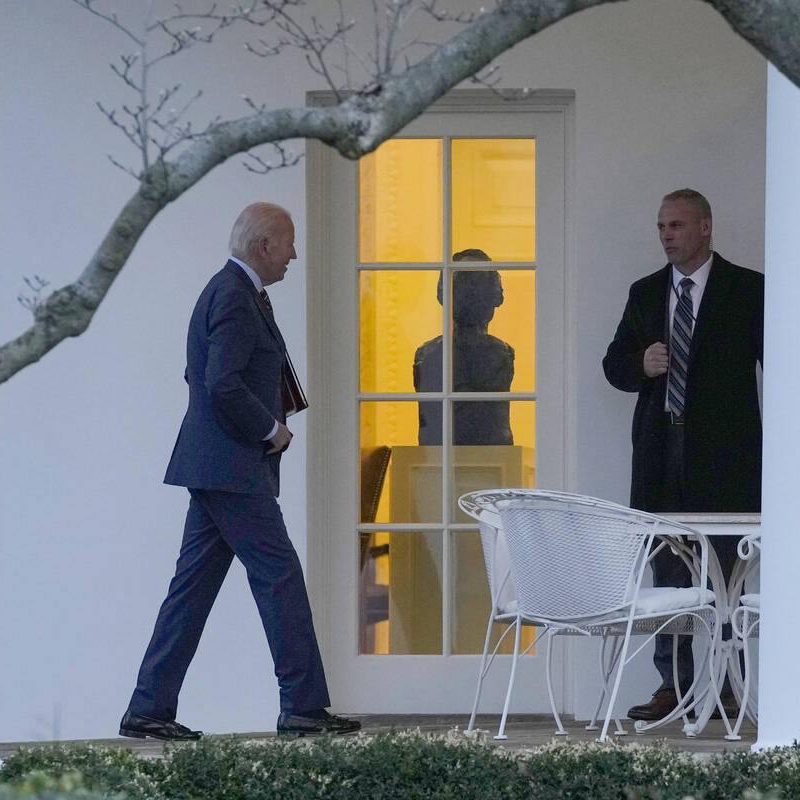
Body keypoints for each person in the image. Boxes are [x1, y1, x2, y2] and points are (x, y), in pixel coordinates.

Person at [120, 203, 360, 740]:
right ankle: (301, 707)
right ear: (264, 246)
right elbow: (219, 382)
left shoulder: (233, 292)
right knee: (281, 579)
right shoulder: (233, 295)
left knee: (192, 589)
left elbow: (200, 372)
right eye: (289, 242)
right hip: (232, 470)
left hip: (216, 467)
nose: (295, 253)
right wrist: (269, 429)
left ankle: (147, 710)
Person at [602, 188, 763, 722]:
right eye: (662, 227)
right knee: (669, 572)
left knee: (725, 574)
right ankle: (672, 685)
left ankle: (726, 683)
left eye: (676, 225)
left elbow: (784, 361)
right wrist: (641, 365)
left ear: (705, 228)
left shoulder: (747, 289)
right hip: (659, 451)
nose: (667, 236)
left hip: (726, 457)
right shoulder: (646, 293)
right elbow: (613, 366)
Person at [413, 249, 515, 445]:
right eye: (465, 290)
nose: (471, 299)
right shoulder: (428, 355)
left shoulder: (502, 354)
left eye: (477, 289)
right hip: (441, 461)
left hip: (493, 463)